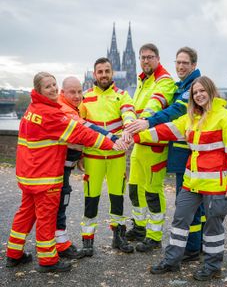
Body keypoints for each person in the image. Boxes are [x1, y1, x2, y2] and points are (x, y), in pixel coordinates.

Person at [6, 72, 121, 273]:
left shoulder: (32, 108)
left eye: (53, 85)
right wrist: (112, 144)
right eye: (47, 86)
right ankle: (48, 260)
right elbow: (81, 133)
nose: (52, 89)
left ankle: (13, 253)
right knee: (46, 218)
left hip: (28, 174)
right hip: (45, 176)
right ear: (39, 90)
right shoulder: (51, 114)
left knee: (25, 213)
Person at [133, 76, 227, 281]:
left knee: (213, 227)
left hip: (216, 184)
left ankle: (212, 265)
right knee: (179, 220)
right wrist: (136, 135)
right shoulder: (190, 118)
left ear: (210, 90)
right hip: (191, 183)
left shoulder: (225, 117)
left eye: (202, 91)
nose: (199, 95)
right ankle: (172, 261)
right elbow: (166, 130)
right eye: (195, 92)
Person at [126, 47, 205, 261]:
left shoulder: (186, 86)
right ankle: (197, 244)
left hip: (182, 151)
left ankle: (190, 246)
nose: (180, 66)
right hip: (176, 151)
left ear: (194, 65)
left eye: (185, 63)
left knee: (187, 204)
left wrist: (146, 122)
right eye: (178, 62)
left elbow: (173, 111)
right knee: (189, 203)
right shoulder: (181, 84)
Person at [55, 76, 121, 259]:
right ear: (63, 93)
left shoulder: (73, 106)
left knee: (59, 203)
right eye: (72, 92)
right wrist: (113, 139)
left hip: (63, 168)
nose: (77, 96)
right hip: (55, 169)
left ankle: (56, 245)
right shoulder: (65, 109)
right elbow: (85, 130)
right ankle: (57, 248)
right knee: (57, 204)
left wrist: (81, 154)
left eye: (79, 92)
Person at [78, 57, 137, 255]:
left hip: (116, 157)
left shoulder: (122, 95)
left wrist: (128, 128)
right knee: (91, 198)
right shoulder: (84, 97)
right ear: (95, 74)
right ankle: (87, 240)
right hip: (93, 157)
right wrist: (79, 154)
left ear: (112, 73)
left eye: (107, 71)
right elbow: (79, 127)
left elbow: (129, 114)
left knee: (117, 197)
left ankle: (118, 236)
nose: (104, 75)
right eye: (100, 71)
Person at [125, 43, 176, 252]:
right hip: (140, 142)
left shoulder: (164, 80)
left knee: (152, 192)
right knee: (134, 188)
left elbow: (155, 104)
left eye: (150, 57)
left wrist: (142, 121)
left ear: (158, 58)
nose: (146, 60)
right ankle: (139, 228)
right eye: (143, 57)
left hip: (155, 144)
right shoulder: (141, 80)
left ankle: (154, 237)